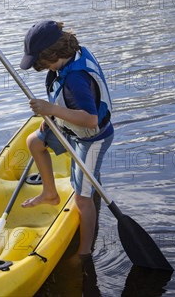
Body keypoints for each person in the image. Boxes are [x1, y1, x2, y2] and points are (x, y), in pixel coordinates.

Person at [19, 20, 114, 257]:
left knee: (82, 199)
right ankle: (50, 194)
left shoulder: (75, 79)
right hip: (70, 126)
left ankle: (84, 251)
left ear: (55, 54)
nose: (44, 69)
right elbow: (67, 104)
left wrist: (51, 110)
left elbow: (90, 119)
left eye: (43, 64)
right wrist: (52, 119)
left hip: (92, 138)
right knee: (34, 142)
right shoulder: (72, 56)